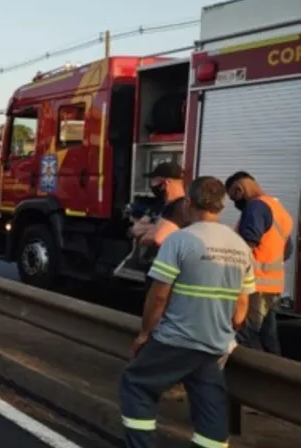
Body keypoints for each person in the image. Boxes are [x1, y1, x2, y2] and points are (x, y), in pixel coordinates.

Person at [119, 176, 253, 448]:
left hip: (177, 339)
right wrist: (227, 331)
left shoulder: (180, 240)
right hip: (214, 343)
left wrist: (145, 334)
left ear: (188, 204)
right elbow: (241, 307)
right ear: (221, 206)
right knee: (210, 406)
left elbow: (159, 295)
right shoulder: (240, 246)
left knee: (136, 383)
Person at [225, 171, 294, 356]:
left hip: (254, 286)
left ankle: (251, 372)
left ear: (239, 189)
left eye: (233, 197)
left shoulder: (255, 207)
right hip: (273, 286)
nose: (235, 203)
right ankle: (278, 372)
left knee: (247, 334)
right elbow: (287, 251)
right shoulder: (278, 209)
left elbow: (246, 246)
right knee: (268, 336)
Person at [131, 162, 190, 248]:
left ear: (167, 182)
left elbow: (156, 238)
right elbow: (136, 229)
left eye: (154, 181)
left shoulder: (181, 207)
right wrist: (158, 227)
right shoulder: (160, 204)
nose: (152, 185)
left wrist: (153, 229)